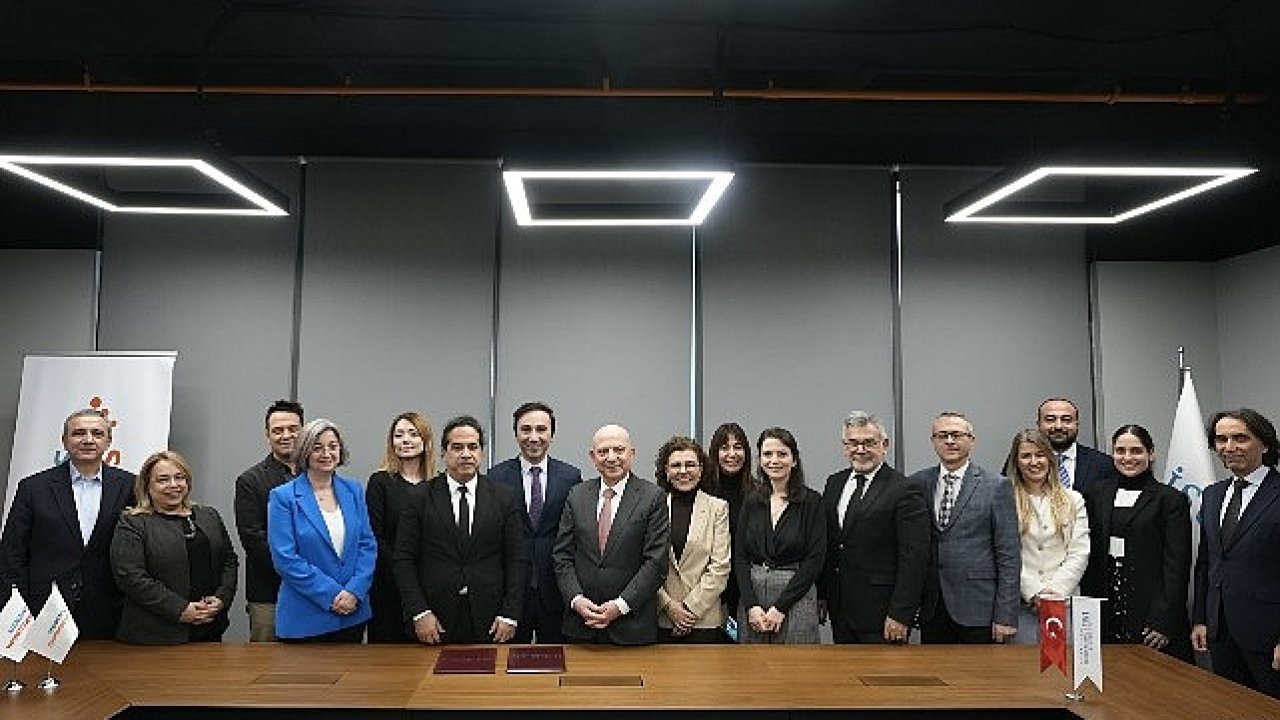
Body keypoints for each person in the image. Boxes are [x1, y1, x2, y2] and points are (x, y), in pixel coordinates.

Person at [0, 408, 134, 639]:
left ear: (109, 441)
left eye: (97, 433)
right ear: (64, 440)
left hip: (110, 609)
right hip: (44, 608)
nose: (88, 440)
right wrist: (18, 607)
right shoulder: (33, 488)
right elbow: (13, 552)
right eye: (79, 433)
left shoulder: (131, 486)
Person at [394, 416, 528, 644]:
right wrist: (419, 612)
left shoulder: (504, 497)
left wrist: (510, 613)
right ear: (443, 453)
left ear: (481, 452)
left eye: (472, 447)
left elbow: (517, 559)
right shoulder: (419, 497)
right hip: (435, 620)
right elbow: (403, 560)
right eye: (457, 447)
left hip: (492, 619)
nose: (466, 454)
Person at [1081, 424, 1191, 661]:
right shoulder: (1097, 493)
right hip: (1108, 610)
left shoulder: (1170, 500)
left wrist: (1163, 620)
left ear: (1151, 454)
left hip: (1150, 614)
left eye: (1136, 451)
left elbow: (1176, 566)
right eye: (1120, 451)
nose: (1128, 458)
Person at [818, 411, 929, 644]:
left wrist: (901, 614)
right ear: (844, 446)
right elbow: (831, 545)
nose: (860, 449)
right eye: (853, 443)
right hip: (841, 609)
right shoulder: (834, 483)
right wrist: (823, 596)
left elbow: (914, 557)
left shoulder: (904, 489)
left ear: (884, 444)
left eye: (868, 442)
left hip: (883, 612)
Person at [910, 412, 1020, 644]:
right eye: (942, 436)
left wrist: (1006, 615)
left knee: (979, 678)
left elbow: (1009, 554)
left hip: (979, 608)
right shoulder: (917, 483)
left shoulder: (996, 486)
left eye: (957, 435)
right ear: (933, 442)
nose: (950, 441)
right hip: (933, 606)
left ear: (971, 439)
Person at [554, 424, 669, 645]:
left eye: (619, 450)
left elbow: (655, 563)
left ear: (632, 453)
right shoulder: (576, 495)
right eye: (603, 451)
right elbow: (562, 557)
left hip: (632, 626)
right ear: (593, 457)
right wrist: (576, 600)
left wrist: (621, 605)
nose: (611, 457)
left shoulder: (652, 497)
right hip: (581, 625)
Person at [1192, 409, 1280, 698]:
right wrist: (1202, 619)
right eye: (1221, 439)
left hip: (1268, 636)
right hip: (1221, 632)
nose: (1229, 447)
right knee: (1232, 708)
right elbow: (1206, 561)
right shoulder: (1212, 494)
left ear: (1264, 444)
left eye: (1240, 438)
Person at [110, 451, 239, 644]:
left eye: (179, 478)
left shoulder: (208, 515)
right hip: (154, 636)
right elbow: (129, 575)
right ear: (147, 485)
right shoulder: (133, 522)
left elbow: (229, 560)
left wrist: (221, 599)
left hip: (209, 628)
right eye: (163, 479)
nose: (173, 485)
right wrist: (180, 610)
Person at [268, 418, 376, 642]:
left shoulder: (354, 490)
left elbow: (367, 545)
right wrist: (332, 595)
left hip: (352, 615)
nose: (326, 453)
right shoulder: (283, 497)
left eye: (333, 446)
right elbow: (285, 558)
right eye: (317, 447)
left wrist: (354, 592)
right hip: (304, 618)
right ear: (304, 451)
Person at [489, 402, 583, 643]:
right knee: (507, 667)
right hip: (510, 592)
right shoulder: (496, 477)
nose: (533, 437)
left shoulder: (571, 477)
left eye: (541, 429)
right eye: (526, 429)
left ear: (552, 433)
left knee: (557, 664)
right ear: (516, 433)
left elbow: (576, 536)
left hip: (556, 590)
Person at [734, 427, 825, 644]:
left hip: (796, 598)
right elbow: (740, 556)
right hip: (754, 600)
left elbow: (815, 560)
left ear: (794, 460)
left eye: (782, 454)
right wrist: (751, 605)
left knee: (795, 670)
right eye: (767, 454)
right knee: (751, 669)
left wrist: (780, 608)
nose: (774, 460)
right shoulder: (751, 501)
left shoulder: (812, 501)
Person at [1004, 429, 1089, 645]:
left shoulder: (1073, 499)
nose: (1034, 462)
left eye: (1040, 454)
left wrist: (1055, 592)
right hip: (1021, 606)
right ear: (1016, 461)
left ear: (1050, 458)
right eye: (1026, 456)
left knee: (1060, 673)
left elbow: (1079, 552)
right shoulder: (1003, 499)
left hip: (1063, 604)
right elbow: (1004, 554)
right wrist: (1034, 592)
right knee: (1021, 673)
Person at [234, 399, 304, 641]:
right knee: (266, 667)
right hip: (270, 594)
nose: (286, 435)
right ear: (267, 435)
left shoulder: (322, 476)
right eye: (278, 430)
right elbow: (254, 540)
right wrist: (299, 574)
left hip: (318, 593)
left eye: (293, 429)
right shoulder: (250, 481)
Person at [366, 411, 436, 643]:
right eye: (399, 435)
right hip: (389, 584)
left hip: (428, 587)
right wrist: (402, 572)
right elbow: (373, 535)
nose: (405, 440)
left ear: (425, 442)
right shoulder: (380, 482)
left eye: (413, 434)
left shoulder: (437, 485)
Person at [654, 436, 730, 643]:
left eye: (690, 464)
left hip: (703, 619)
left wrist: (688, 609)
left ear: (701, 469)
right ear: (666, 471)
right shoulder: (652, 506)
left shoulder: (717, 508)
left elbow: (720, 567)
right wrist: (669, 606)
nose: (683, 471)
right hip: (662, 618)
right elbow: (644, 565)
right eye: (675, 465)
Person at [707, 422, 751, 620]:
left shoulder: (759, 494)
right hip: (709, 590)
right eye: (724, 448)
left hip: (748, 590)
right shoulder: (702, 491)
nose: (731, 454)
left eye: (738, 447)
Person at [1037, 398, 1111, 496]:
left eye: (1066, 420)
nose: (1058, 426)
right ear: (1039, 424)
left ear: (1077, 425)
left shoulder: (1102, 463)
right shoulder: (1023, 463)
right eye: (1050, 420)